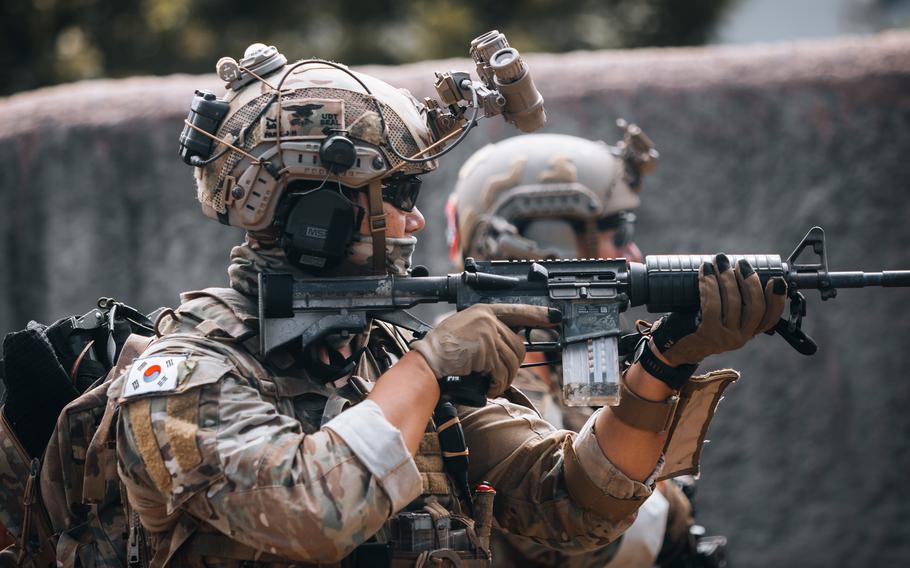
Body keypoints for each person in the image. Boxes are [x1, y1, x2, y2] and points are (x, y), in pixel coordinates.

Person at [106, 42, 786, 567]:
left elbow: (570, 510)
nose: (416, 222)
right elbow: (312, 511)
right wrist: (430, 368)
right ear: (321, 213)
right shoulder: (181, 378)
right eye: (398, 196)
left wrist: (660, 368)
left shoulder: (381, 359)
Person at [445, 130, 725, 567]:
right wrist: (664, 367)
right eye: (618, 230)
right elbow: (573, 536)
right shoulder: (473, 376)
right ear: (544, 241)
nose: (631, 250)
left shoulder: (567, 358)